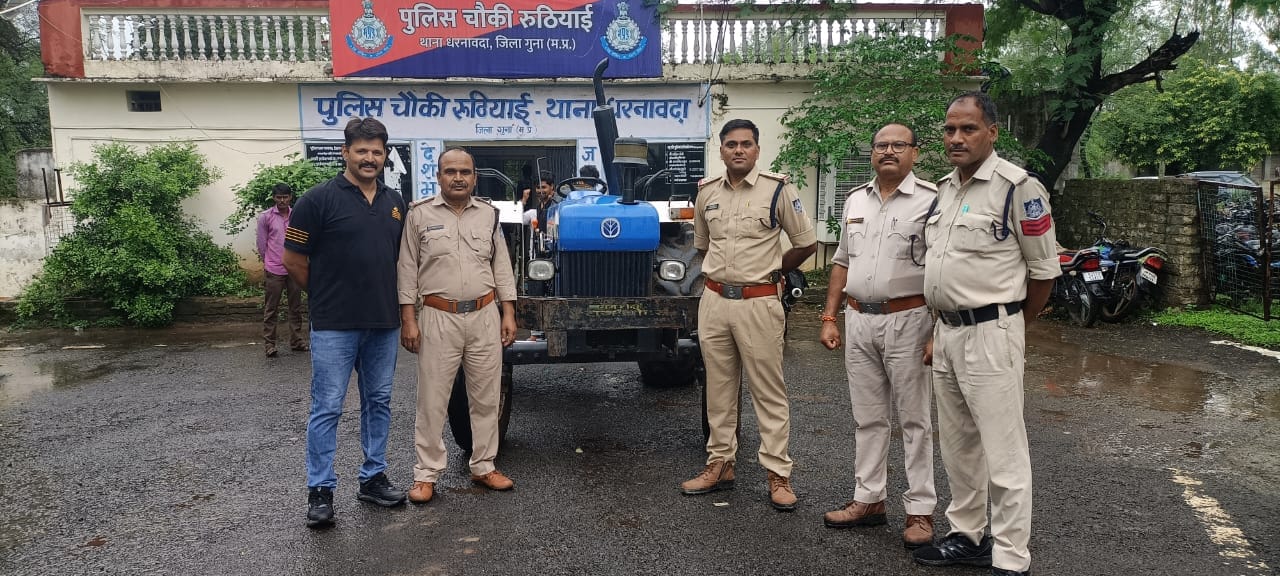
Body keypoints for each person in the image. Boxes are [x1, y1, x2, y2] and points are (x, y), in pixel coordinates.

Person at [911, 92, 1059, 576]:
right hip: (948, 332)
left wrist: (1012, 324)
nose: (956, 138)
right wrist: (939, 330)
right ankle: (967, 536)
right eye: (950, 129)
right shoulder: (945, 189)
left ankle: (1012, 556)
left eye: (968, 129)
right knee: (958, 447)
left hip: (993, 331)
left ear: (992, 133)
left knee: (1004, 449)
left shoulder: (1019, 188)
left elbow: (1044, 273)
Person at [683, 118, 817, 511]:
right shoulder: (706, 193)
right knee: (718, 388)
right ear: (721, 150)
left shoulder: (778, 190)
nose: (738, 150)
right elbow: (703, 246)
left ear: (757, 149)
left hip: (759, 301)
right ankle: (720, 464)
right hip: (714, 301)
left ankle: (778, 474)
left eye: (746, 144)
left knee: (767, 391)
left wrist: (773, 269)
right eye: (731, 144)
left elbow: (806, 243)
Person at [283, 117, 408, 529]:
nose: (369, 158)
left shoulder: (395, 202)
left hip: (383, 322)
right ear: (345, 152)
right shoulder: (317, 200)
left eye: (377, 151)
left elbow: (399, 260)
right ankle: (320, 490)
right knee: (328, 406)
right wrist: (325, 295)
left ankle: (373, 478)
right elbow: (293, 261)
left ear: (385, 155)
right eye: (361, 151)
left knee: (379, 402)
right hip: (334, 324)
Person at [818, 123, 938, 548]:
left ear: (915, 153)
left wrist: (938, 330)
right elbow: (842, 262)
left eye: (898, 145)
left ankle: (920, 510)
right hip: (859, 320)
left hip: (910, 320)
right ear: (872, 153)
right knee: (868, 417)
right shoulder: (855, 199)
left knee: (914, 419)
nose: (889, 151)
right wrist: (829, 316)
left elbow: (943, 268)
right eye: (881, 145)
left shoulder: (932, 200)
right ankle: (869, 499)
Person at [397, 147, 519, 504]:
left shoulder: (489, 215)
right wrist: (408, 319)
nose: (458, 178)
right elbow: (407, 268)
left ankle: (484, 465)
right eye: (450, 171)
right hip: (438, 316)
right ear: (438, 177)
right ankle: (426, 474)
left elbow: (501, 266)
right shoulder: (419, 215)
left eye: (465, 172)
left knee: (486, 397)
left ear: (474, 177)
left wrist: (508, 312)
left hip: (484, 314)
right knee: (432, 399)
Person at [256, 182, 307, 358]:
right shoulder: (266, 217)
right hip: (274, 268)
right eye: (279, 197)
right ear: (274, 198)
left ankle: (297, 341)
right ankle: (269, 344)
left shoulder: (297, 216)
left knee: (296, 307)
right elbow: (262, 244)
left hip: (294, 269)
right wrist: (268, 262)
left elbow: (302, 240)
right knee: (271, 308)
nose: (282, 200)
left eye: (285, 197)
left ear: (290, 197)